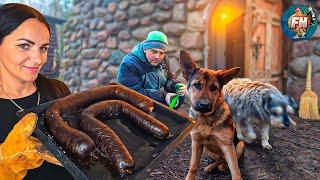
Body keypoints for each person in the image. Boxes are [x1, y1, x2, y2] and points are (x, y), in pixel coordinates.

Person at [0, 3, 72, 179]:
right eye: (24, 45)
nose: (39, 59)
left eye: (43, 48)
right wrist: (6, 164)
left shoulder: (58, 90)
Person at [117, 31, 186, 108]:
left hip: (152, 102)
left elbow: (167, 79)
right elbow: (132, 93)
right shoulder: (129, 64)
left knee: (179, 99)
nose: (157, 57)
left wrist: (175, 85)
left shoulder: (163, 60)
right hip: (131, 107)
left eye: (161, 53)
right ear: (145, 49)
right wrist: (163, 96)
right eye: (154, 52)